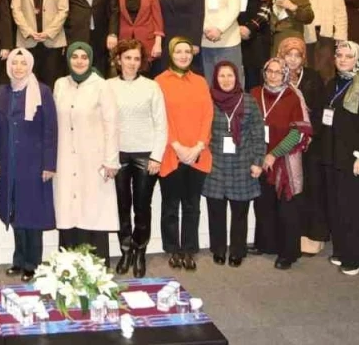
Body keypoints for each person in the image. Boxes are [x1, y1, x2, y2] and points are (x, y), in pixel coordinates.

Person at [0, 48, 57, 283]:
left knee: (32, 214)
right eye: (14, 63)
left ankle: (33, 263)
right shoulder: (2, 91)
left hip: (34, 163)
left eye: (23, 63)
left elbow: (50, 129)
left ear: (30, 66)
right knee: (15, 211)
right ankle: (19, 260)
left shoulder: (42, 91)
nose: (18, 67)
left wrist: (49, 163)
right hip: (9, 162)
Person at [53, 42, 120, 264]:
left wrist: (111, 160)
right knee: (69, 211)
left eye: (84, 57)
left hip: (94, 160)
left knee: (93, 212)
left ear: (90, 60)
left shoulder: (101, 86)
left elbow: (112, 124)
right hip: (65, 158)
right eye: (75, 57)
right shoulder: (60, 84)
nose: (79, 61)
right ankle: (67, 269)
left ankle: (95, 269)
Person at [107, 40, 166, 277]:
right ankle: (125, 251)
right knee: (122, 206)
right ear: (118, 60)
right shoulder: (107, 86)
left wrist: (157, 157)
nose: (132, 63)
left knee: (142, 207)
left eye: (136, 59)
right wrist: (108, 157)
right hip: (118, 155)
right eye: (127, 58)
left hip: (145, 155)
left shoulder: (152, 87)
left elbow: (161, 124)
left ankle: (140, 251)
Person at [324, 41, 359, 276]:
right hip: (335, 156)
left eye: (349, 56)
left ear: (358, 60)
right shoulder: (332, 84)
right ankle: (341, 250)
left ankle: (357, 258)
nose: (342, 60)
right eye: (339, 55)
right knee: (338, 207)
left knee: (355, 209)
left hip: (357, 159)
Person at [156, 37, 212, 271]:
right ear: (171, 54)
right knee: (170, 206)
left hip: (198, 154)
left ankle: (189, 249)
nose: (183, 55)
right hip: (171, 153)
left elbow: (208, 115)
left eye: (187, 51)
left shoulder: (200, 81)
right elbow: (160, 118)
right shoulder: (159, 82)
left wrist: (198, 146)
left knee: (192, 206)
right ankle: (173, 249)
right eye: (178, 51)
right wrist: (177, 147)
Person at [201, 61, 265, 267]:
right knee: (216, 212)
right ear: (215, 78)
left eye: (230, 75)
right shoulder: (208, 100)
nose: (226, 80)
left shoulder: (248, 101)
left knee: (240, 213)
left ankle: (237, 250)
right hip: (215, 165)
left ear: (237, 78)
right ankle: (218, 249)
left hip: (242, 165)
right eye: (222, 76)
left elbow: (258, 133)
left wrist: (258, 161)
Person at [250, 58, 312, 270]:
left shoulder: (292, 96)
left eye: (278, 72)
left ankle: (288, 253)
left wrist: (274, 154)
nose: (273, 75)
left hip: (284, 160)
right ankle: (266, 244)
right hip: (259, 157)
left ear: (285, 74)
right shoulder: (255, 93)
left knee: (287, 208)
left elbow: (299, 132)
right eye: (269, 71)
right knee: (263, 204)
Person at [277, 37, 329, 257]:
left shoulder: (313, 77)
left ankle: (315, 236)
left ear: (303, 58)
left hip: (310, 144)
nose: (292, 59)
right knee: (291, 191)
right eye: (288, 54)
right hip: (286, 145)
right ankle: (294, 235)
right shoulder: (275, 76)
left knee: (313, 188)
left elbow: (320, 110)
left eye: (297, 55)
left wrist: (309, 135)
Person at [11, 0, 69, 88]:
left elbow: (63, 9)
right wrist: (28, 31)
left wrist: (48, 32)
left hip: (52, 41)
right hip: (28, 40)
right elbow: (16, 9)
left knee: (51, 85)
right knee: (28, 85)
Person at [295, 0, 347, 80]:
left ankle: (327, 93)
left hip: (327, 33)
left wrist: (341, 35)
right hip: (305, 33)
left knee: (326, 70)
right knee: (307, 69)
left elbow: (340, 12)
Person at [197, 0, 242, 83]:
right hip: (204, 41)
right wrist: (206, 29)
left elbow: (234, 10)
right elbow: (194, 10)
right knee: (208, 82)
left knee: (231, 81)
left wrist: (219, 29)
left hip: (229, 41)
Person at [228, 0, 268, 87]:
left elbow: (265, 9)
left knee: (253, 81)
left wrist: (249, 28)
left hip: (254, 37)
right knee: (231, 76)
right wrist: (235, 29)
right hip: (229, 35)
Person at [115, 0, 164, 70]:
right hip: (123, 41)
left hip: (146, 41)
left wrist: (158, 43)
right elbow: (113, 17)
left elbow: (157, 18)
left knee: (146, 75)